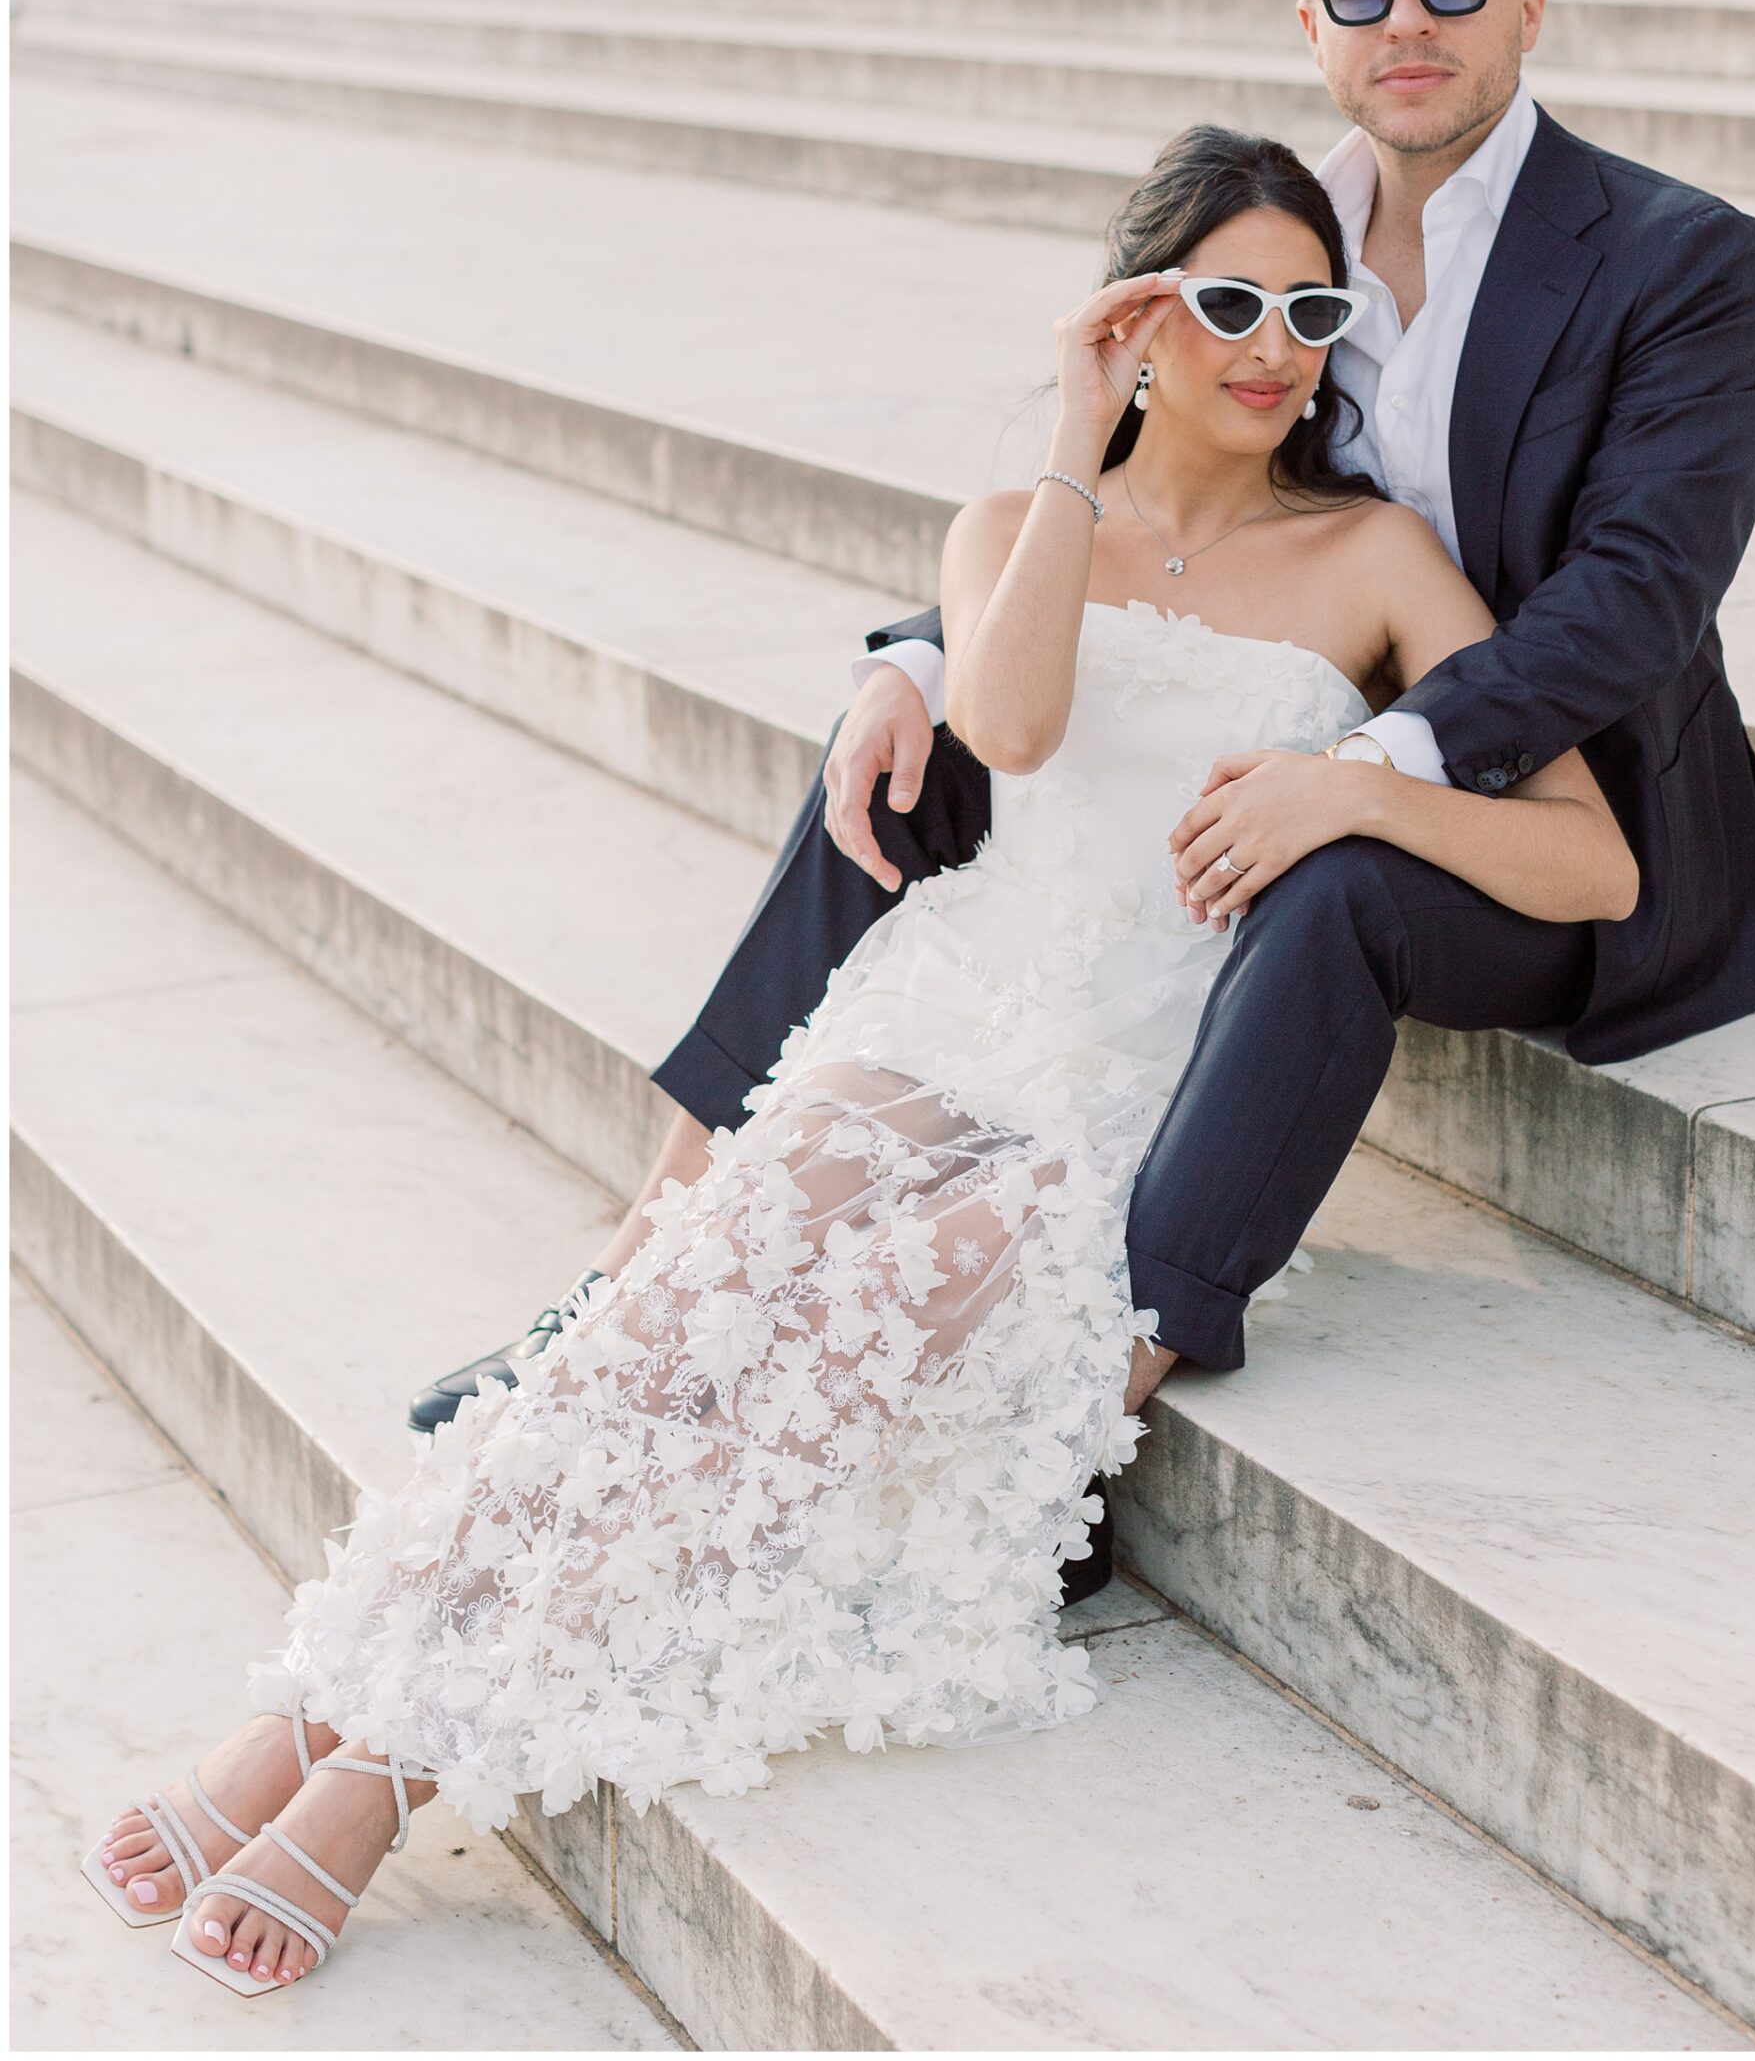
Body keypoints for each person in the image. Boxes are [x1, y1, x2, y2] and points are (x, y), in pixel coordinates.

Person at [87, 118, 1645, 1995]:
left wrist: (1355, 795)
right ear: (1132, 321)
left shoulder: (1375, 557)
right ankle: (309, 1725)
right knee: (660, 1348)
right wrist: (1078, 452)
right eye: (1225, 302)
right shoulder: (1005, 534)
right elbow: (1012, 721)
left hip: (1113, 1105)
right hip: (927, 1032)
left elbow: (1591, 857)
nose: (1275, 346)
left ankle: (368, 1767)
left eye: (1313, 308)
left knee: (806, 1383)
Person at [413, 0, 1755, 1491]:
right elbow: (1189, 494)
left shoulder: (1672, 257)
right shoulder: (1281, 236)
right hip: (1280, 764)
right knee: (921, 743)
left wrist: (1358, 771)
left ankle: (1106, 1379)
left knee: (1336, 876)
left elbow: (1634, 600)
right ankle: (656, 1249)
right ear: (1310, 24)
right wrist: (921, 651)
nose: (1412, 20)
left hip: (1550, 840)